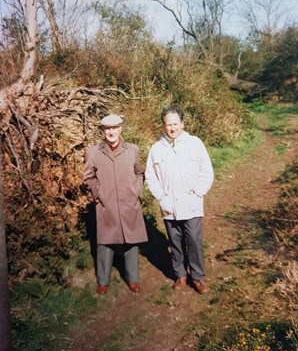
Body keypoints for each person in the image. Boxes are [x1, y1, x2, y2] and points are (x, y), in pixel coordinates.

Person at [145, 106, 214, 294]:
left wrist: (198, 192)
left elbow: (206, 171)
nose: (172, 128)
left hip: (191, 204)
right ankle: (181, 275)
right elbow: (150, 177)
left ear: (182, 124)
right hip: (169, 206)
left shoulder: (195, 143)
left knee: (194, 240)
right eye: (169, 124)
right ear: (164, 126)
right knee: (175, 242)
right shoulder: (156, 149)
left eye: (176, 124)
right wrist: (161, 197)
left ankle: (198, 278)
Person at [83, 114, 148, 295]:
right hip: (106, 204)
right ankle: (103, 281)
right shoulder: (94, 152)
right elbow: (88, 178)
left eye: (115, 128)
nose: (111, 132)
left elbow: (139, 173)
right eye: (107, 129)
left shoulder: (132, 150)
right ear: (103, 131)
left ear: (120, 129)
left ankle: (133, 279)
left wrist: (135, 191)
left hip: (129, 203)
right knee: (105, 242)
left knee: (131, 240)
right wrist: (99, 196)